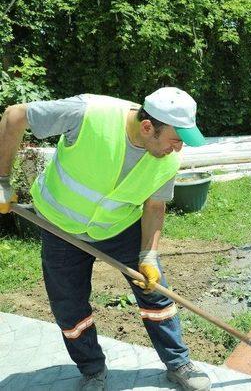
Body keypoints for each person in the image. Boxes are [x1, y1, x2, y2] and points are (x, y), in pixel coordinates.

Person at [0, 88, 212, 391]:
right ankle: (92, 370)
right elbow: (14, 115)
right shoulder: (87, 114)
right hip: (61, 227)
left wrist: (148, 256)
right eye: (175, 140)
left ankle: (179, 363)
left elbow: (154, 205)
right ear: (148, 127)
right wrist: (2, 181)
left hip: (118, 228)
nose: (177, 149)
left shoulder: (166, 161)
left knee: (155, 292)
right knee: (69, 306)